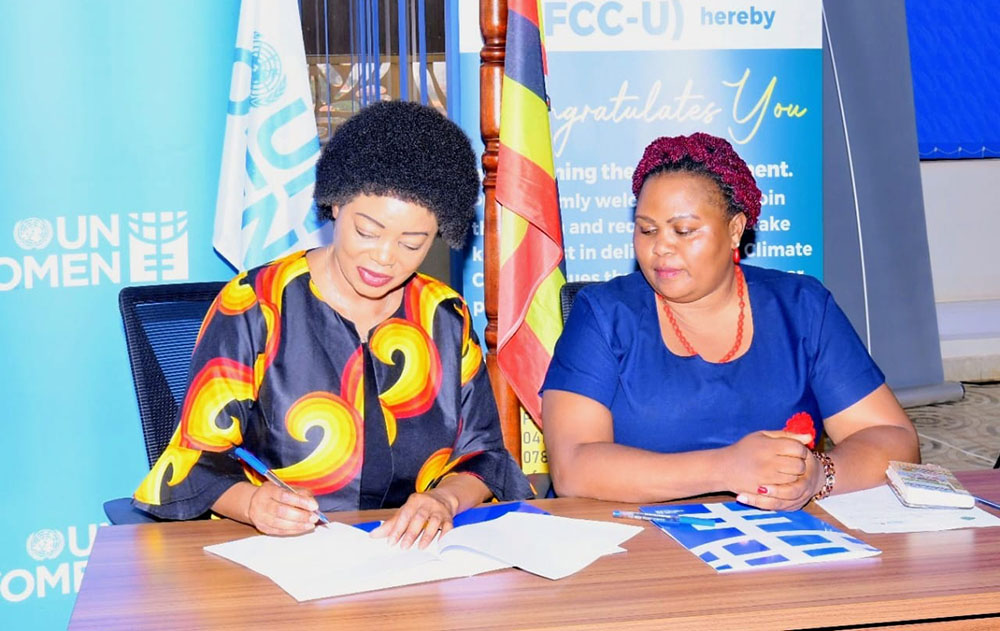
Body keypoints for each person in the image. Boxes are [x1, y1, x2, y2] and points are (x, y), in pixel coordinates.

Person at [133, 101, 531, 547]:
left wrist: (444, 501)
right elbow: (193, 459)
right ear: (336, 202)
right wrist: (254, 504)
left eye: (412, 243)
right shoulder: (257, 304)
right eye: (368, 232)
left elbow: (484, 458)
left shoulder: (443, 315)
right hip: (281, 555)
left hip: (414, 557)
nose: (384, 257)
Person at [541, 132, 919, 510]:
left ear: (735, 229)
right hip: (634, 534)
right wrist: (724, 468)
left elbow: (894, 439)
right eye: (647, 229)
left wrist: (819, 475)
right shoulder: (603, 314)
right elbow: (572, 467)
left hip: (774, 536)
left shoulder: (801, 308)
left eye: (684, 231)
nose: (661, 247)